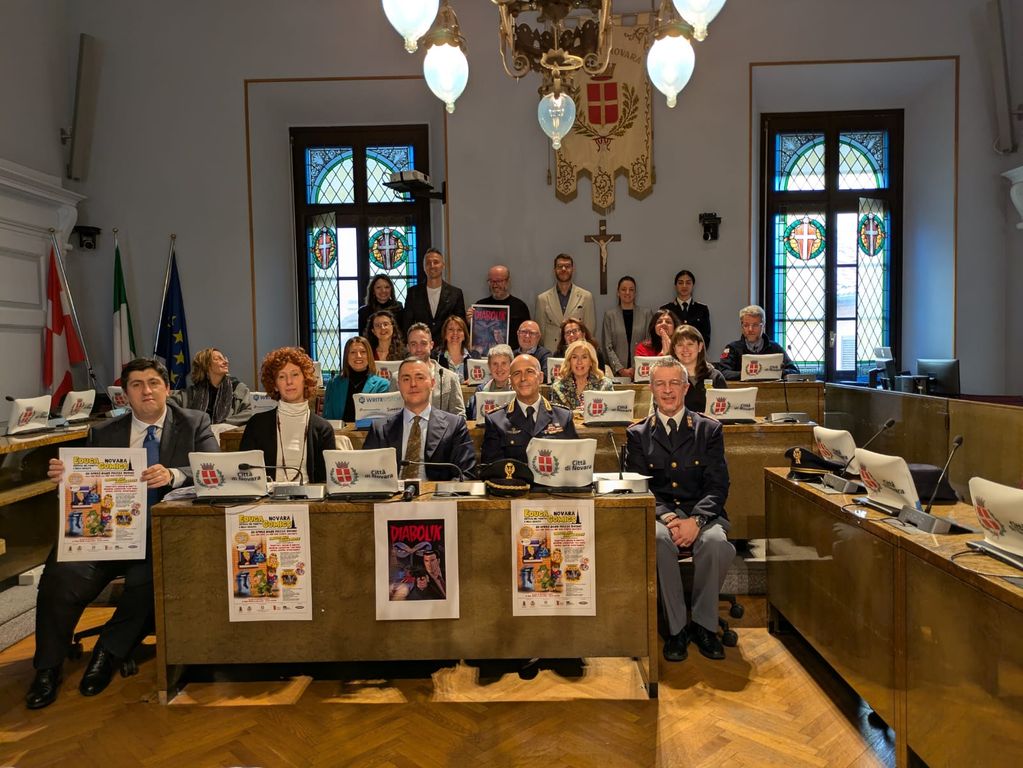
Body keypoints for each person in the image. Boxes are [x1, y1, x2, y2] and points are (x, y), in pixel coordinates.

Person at [28, 357, 219, 709]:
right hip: (103, 535)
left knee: (149, 579)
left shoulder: (194, 423)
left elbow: (212, 470)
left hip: (158, 534)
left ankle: (108, 652)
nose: (146, 391)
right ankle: (47, 667)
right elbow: (82, 488)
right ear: (125, 395)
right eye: (136, 385)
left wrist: (174, 475)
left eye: (153, 383)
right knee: (59, 574)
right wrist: (66, 479)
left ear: (167, 389)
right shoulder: (103, 433)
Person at [625, 358, 734, 663]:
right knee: (658, 540)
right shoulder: (637, 433)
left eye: (674, 383)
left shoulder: (709, 429)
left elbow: (718, 485)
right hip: (659, 515)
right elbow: (638, 486)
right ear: (651, 389)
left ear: (686, 388)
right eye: (660, 383)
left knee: (715, 543)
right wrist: (670, 517)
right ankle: (676, 630)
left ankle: (704, 626)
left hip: (702, 514)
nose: (668, 390)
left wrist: (696, 520)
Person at [364, 357, 476, 480]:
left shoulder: (454, 426)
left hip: (438, 492)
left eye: (420, 378)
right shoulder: (379, 429)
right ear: (398, 385)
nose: (413, 384)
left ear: (432, 383)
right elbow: (367, 475)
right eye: (406, 379)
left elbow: (466, 473)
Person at [240, 347, 340, 483]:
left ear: (305, 380)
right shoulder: (257, 424)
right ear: (275, 385)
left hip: (311, 495)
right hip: (267, 495)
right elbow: (245, 475)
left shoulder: (323, 428)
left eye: (295, 374)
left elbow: (326, 480)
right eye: (282, 376)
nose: (289, 382)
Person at [481, 354, 577, 464]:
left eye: (529, 372)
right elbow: (492, 468)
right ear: (510, 381)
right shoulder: (496, 420)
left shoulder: (563, 417)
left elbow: (573, 462)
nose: (523, 378)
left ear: (541, 377)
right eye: (517, 373)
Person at [389, 322, 466, 418]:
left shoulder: (450, 378)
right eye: (413, 344)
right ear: (408, 347)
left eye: (423, 343)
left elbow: (459, 416)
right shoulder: (396, 378)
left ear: (431, 345)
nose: (419, 349)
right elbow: (390, 415)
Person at [171, 347, 255, 425]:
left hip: (226, 433)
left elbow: (249, 412)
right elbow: (169, 404)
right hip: (198, 434)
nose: (225, 362)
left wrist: (223, 424)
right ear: (206, 365)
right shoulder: (193, 392)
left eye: (224, 358)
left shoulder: (239, 389)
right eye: (218, 359)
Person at [717, 304, 799, 380]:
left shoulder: (775, 348)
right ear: (742, 327)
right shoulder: (732, 348)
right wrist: (748, 374)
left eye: (755, 325)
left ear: (763, 326)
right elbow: (723, 372)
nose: (750, 329)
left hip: (770, 390)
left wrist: (774, 373)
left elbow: (794, 371)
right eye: (746, 325)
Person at [533, 253, 596, 351]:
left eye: (567, 266)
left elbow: (589, 330)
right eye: (559, 266)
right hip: (551, 352)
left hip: (577, 351)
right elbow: (540, 333)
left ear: (573, 269)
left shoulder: (586, 297)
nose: (563, 269)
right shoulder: (542, 299)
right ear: (554, 270)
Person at [402, 247, 466, 341]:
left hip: (446, 345)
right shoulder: (413, 293)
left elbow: (460, 324)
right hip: (421, 346)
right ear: (424, 267)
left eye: (436, 262)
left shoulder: (456, 294)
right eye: (428, 263)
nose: (432, 266)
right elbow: (407, 325)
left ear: (443, 265)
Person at [322, 336, 390, 421]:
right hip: (338, 430)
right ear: (347, 356)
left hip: (369, 430)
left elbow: (382, 421)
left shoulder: (382, 385)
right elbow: (327, 418)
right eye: (353, 352)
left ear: (369, 355)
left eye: (363, 352)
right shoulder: (333, 384)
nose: (358, 356)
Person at [602, 275, 653, 379]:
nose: (627, 292)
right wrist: (620, 369)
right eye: (623, 289)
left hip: (641, 371)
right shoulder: (609, 315)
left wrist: (635, 367)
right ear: (618, 292)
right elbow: (607, 346)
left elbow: (649, 343)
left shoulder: (646, 314)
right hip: (616, 373)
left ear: (635, 293)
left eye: (631, 289)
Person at [467, 264, 531, 343]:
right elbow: (472, 337)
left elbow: (528, 334)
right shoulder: (480, 306)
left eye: (499, 281)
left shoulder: (520, 306)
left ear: (508, 281)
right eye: (491, 281)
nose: (494, 285)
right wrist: (471, 324)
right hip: (487, 350)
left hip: (513, 350)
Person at [672, 325, 727, 414]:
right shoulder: (668, 377)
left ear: (700, 346)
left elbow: (725, 411)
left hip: (710, 423)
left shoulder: (715, 377)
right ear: (674, 349)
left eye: (690, 344)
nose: (685, 349)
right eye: (680, 345)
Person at [551, 339, 615, 411]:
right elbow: (557, 415)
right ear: (569, 361)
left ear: (591, 361)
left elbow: (611, 413)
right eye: (574, 357)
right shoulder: (558, 387)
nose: (579, 362)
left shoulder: (605, 385)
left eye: (584, 357)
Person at [660, 269, 712, 348]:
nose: (684, 286)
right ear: (675, 286)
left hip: (694, 353)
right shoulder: (666, 309)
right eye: (680, 283)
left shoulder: (702, 309)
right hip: (672, 351)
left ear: (693, 285)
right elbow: (662, 335)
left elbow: (705, 337)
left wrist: (698, 352)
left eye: (688, 283)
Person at [467, 344, 514, 420]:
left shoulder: (519, 388)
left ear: (511, 364)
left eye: (504, 363)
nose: (499, 369)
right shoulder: (481, 389)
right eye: (495, 364)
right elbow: (477, 419)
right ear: (489, 366)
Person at [434, 315, 472, 382]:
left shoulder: (474, 356)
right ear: (445, 334)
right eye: (451, 329)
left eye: (459, 330)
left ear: (464, 335)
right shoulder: (435, 357)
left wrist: (472, 382)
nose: (455, 333)